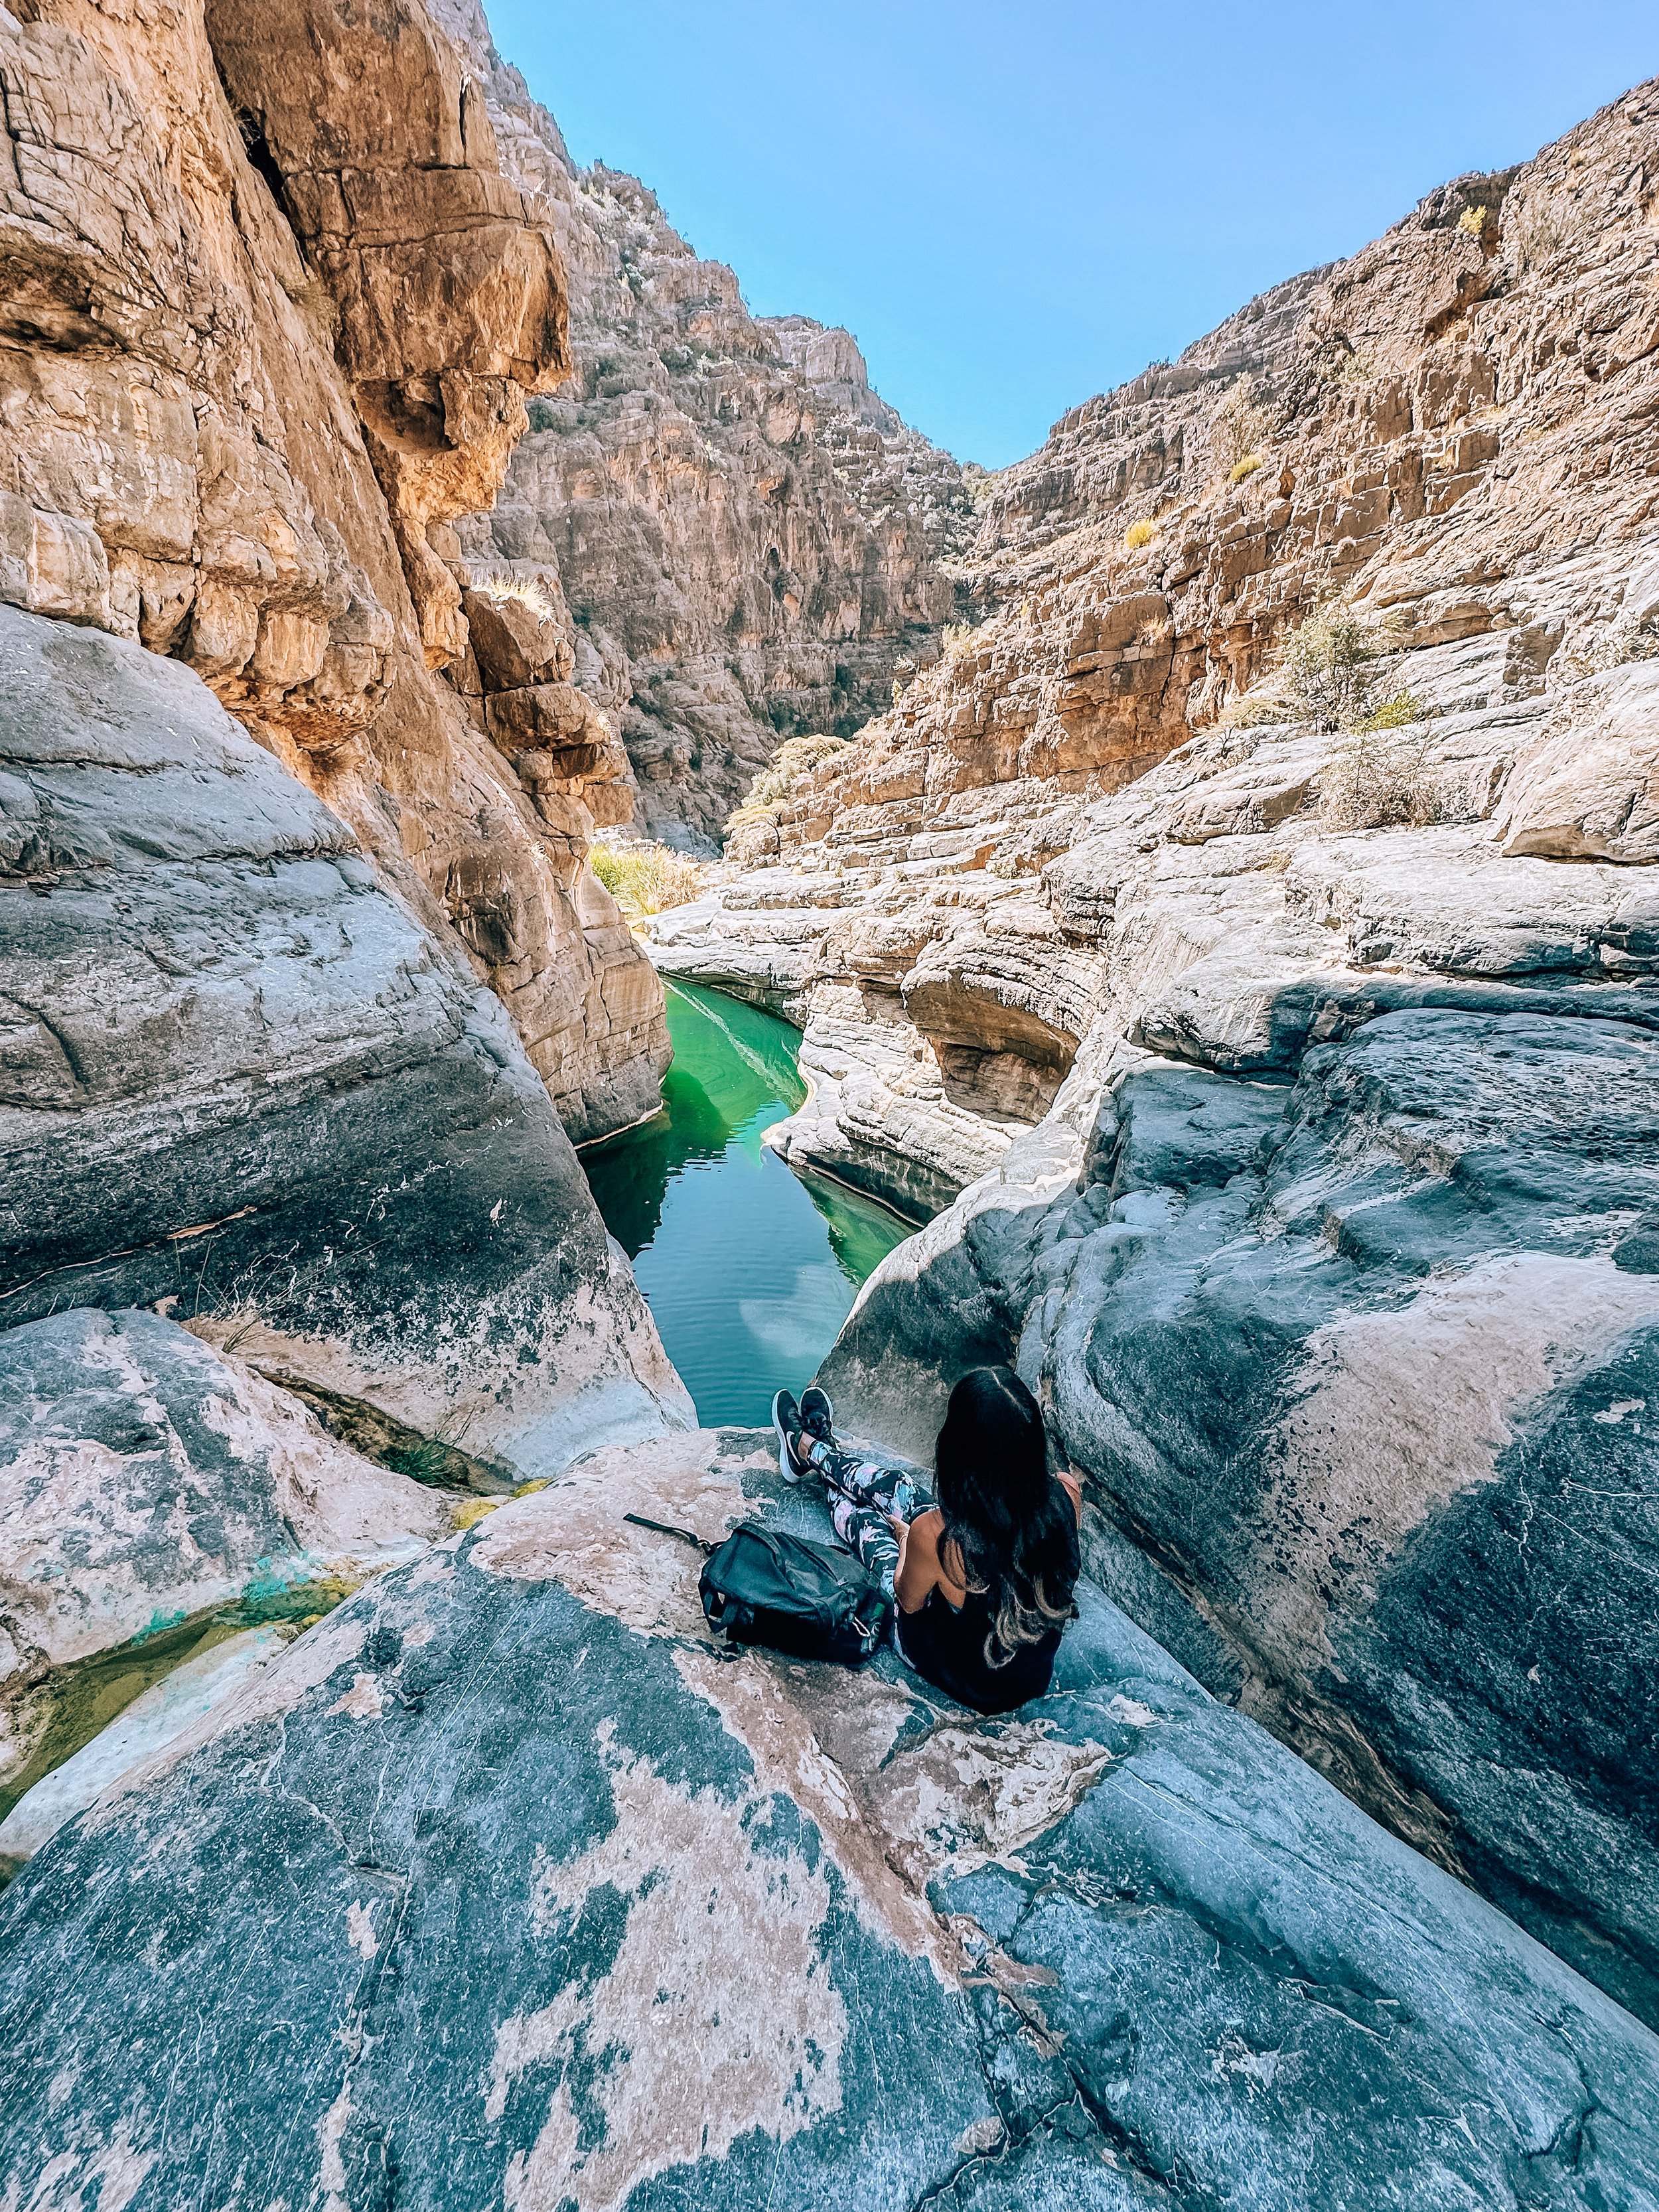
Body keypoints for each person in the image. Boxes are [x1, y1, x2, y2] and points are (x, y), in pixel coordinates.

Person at [772, 1367, 1082, 1715]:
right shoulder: (1066, 1494)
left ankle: (810, 1450)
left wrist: (906, 1540)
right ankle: (815, 1451)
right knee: (902, 1487)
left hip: (957, 1675)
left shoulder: (935, 1535)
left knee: (867, 1523)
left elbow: (907, 1601)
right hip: (1026, 1679)